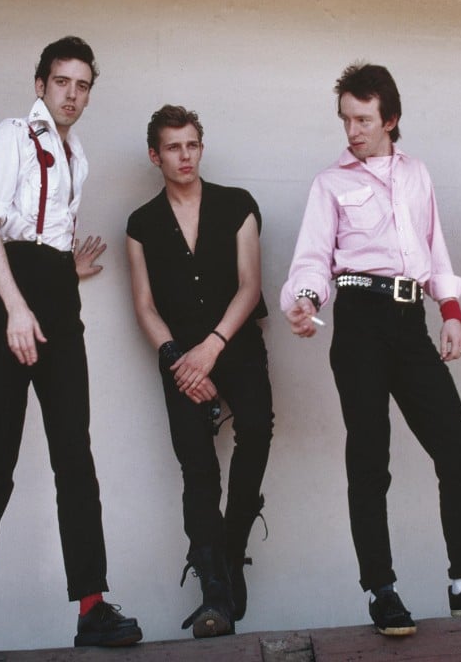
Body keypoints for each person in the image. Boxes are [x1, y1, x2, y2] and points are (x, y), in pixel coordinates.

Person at [281, 63, 461, 637]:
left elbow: (435, 250)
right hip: (359, 321)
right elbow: (314, 259)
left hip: (411, 320)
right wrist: (307, 300)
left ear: (390, 119)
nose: (352, 131)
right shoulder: (330, 184)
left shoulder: (417, 176)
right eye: (346, 119)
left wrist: (453, 313)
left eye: (364, 119)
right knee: (370, 460)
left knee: (458, 451)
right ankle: (381, 590)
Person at [0, 36, 143, 659]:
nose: (72, 94)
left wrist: (62, 272)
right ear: (40, 85)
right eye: (61, 82)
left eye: (82, 85)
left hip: (56, 298)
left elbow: (43, 230)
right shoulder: (12, 136)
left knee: (74, 456)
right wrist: (17, 305)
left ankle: (92, 606)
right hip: (12, 300)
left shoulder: (79, 154)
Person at [125, 105, 274, 638]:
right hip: (179, 358)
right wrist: (177, 360)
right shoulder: (141, 223)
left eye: (191, 145)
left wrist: (211, 348)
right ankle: (214, 588)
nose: (184, 156)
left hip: (233, 344)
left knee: (256, 427)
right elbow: (143, 305)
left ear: (200, 148)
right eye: (172, 147)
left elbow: (250, 285)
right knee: (197, 466)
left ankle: (231, 552)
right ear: (155, 154)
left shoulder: (237, 205)